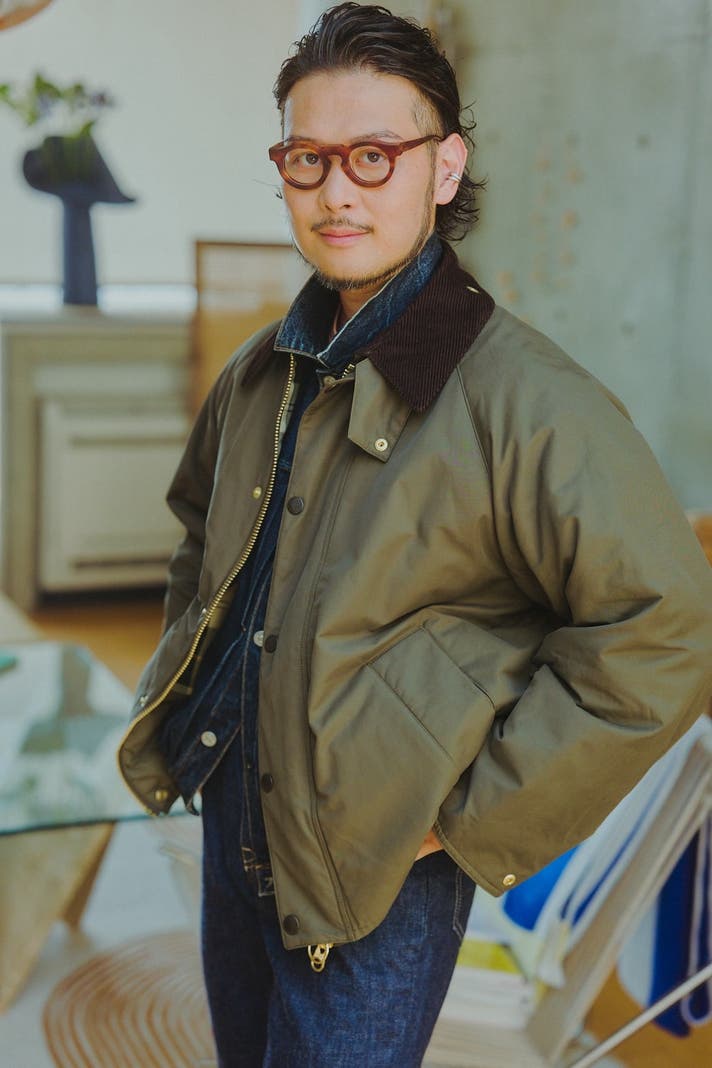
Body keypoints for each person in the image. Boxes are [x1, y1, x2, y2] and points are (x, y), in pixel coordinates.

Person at [117, 4, 712, 1065]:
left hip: (382, 858)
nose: (337, 190)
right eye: (308, 157)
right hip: (234, 808)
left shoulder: (532, 403)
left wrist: (470, 821)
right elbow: (199, 538)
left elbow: (660, 631)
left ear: (444, 168)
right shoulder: (261, 371)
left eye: (375, 154)